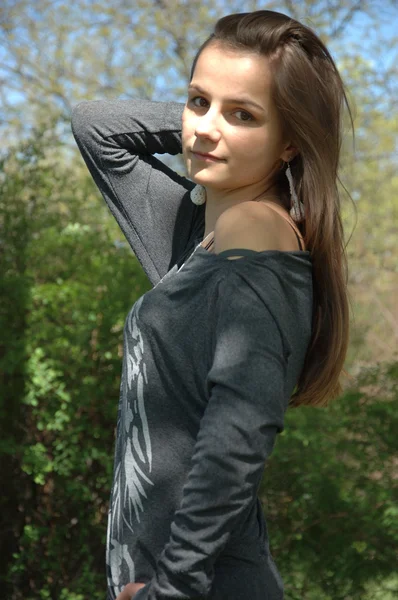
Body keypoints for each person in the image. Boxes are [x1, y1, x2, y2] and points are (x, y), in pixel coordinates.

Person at [71, 9, 352, 600]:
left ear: (291, 141)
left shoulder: (255, 229)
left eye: (243, 114)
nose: (204, 129)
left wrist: (173, 590)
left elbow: (239, 433)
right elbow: (97, 125)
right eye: (198, 101)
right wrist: (222, 119)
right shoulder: (194, 235)